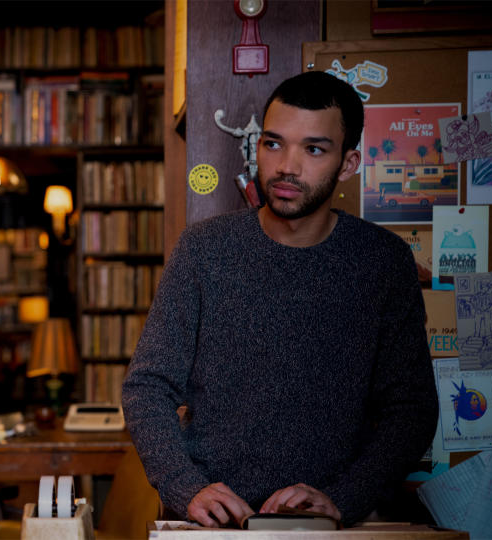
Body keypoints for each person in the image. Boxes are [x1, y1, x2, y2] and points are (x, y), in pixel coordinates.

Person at [121, 71, 439, 528]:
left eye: (313, 149)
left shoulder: (383, 262)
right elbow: (147, 385)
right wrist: (183, 484)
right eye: (273, 144)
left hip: (330, 527)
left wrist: (346, 496)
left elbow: (411, 408)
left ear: (347, 164)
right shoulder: (203, 250)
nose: (287, 165)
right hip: (209, 524)